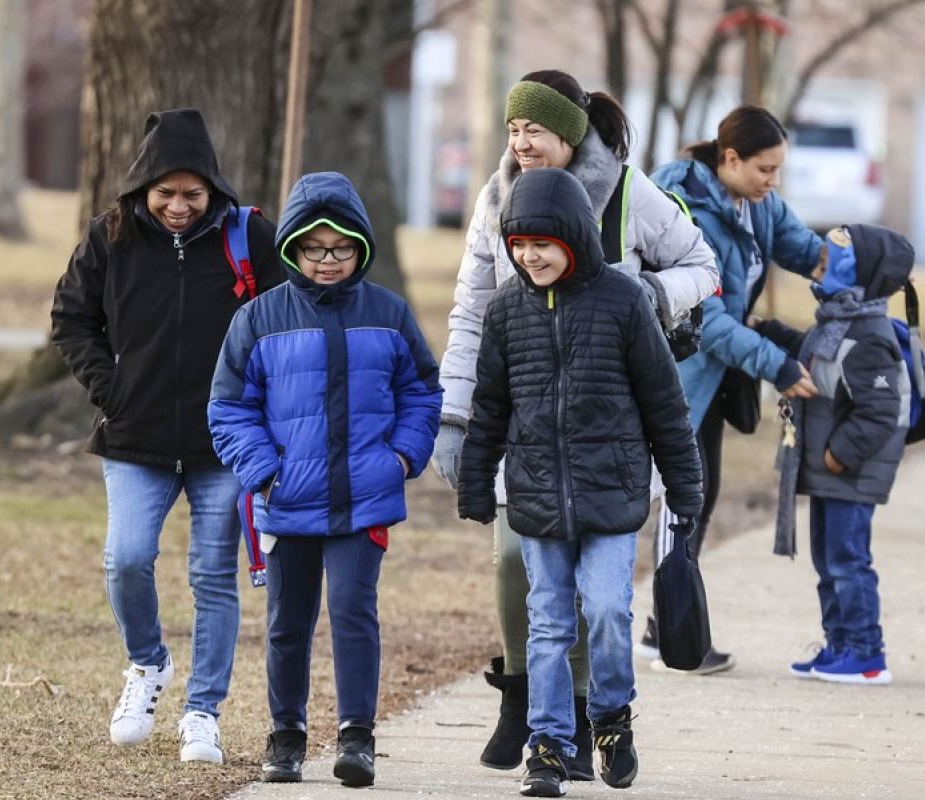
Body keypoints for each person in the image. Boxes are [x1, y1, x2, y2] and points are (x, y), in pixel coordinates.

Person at [430, 69, 718, 776]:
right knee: (520, 573)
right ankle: (534, 714)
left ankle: (595, 714)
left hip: (608, 427)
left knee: (603, 601)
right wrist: (456, 415)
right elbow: (472, 313)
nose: (522, 142)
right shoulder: (495, 199)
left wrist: (650, 293)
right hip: (528, 418)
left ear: (569, 131)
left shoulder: (629, 191)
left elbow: (703, 265)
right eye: (513, 129)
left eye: (535, 129)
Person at [50, 108, 284, 763]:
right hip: (134, 436)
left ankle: (203, 711)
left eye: (192, 194)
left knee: (213, 576)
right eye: (165, 194)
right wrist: (112, 388)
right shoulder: (109, 238)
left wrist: (261, 408)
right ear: (141, 190)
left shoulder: (250, 238)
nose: (179, 207)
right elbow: (71, 319)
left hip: (224, 443)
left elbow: (284, 325)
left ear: (212, 190)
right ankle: (148, 665)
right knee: (126, 559)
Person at [207, 171, 442, 786]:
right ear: (292, 249)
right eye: (315, 248)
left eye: (341, 247)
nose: (329, 260)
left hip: (365, 498)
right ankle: (286, 735)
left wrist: (401, 457)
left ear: (360, 245)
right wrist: (264, 472)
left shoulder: (389, 313)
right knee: (288, 620)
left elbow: (422, 392)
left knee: (352, 609)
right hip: (286, 500)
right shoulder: (258, 320)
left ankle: (356, 737)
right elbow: (229, 408)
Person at [642, 105, 821, 669]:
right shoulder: (684, 211)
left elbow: (808, 250)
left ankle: (662, 626)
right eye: (765, 169)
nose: (774, 181)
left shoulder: (754, 204)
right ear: (730, 159)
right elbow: (711, 320)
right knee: (683, 505)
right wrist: (781, 368)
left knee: (703, 495)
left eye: (779, 170)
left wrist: (871, 264)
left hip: (715, 380)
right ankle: (677, 637)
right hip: (680, 378)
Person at [759, 225, 914, 685]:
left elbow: (879, 409)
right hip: (832, 472)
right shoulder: (836, 321)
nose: (822, 265)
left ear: (857, 272)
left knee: (848, 559)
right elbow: (818, 362)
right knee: (828, 561)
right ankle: (839, 644)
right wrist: (773, 335)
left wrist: (838, 455)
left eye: (833, 261)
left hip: (849, 472)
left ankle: (867, 654)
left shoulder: (869, 335)